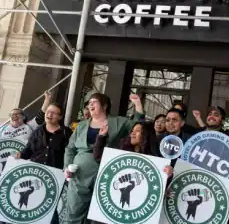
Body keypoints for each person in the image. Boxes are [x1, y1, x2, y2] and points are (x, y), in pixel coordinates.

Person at [63, 93, 144, 224]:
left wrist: (138, 104)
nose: (90, 104)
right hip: (80, 172)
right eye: (89, 102)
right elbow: (70, 148)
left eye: (94, 102)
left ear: (105, 105)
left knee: (99, 213)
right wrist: (67, 167)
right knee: (74, 210)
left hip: (106, 172)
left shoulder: (118, 122)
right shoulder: (82, 125)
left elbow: (138, 125)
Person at [92, 122, 173, 224]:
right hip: (111, 210)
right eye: (132, 131)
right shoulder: (120, 151)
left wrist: (169, 174)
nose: (133, 134)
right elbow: (98, 157)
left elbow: (161, 185)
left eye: (138, 131)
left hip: (134, 214)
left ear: (146, 135)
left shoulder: (155, 160)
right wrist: (101, 137)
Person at [15, 102, 72, 224]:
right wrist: (21, 155)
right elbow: (28, 150)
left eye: (53, 113)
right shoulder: (37, 132)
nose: (49, 114)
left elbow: (70, 153)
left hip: (55, 176)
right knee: (34, 205)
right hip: (36, 174)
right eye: (48, 111)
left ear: (60, 117)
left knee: (50, 206)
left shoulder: (66, 133)